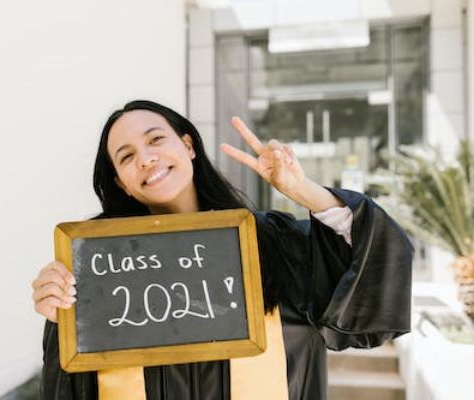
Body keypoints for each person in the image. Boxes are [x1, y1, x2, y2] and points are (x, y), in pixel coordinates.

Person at [32, 100, 413, 400]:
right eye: (127, 156)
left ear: (188, 146)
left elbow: (367, 261)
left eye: (156, 139)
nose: (146, 158)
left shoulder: (270, 241)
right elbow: (70, 383)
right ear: (121, 183)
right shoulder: (99, 266)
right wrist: (59, 305)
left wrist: (301, 190)